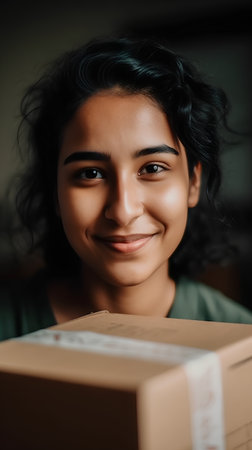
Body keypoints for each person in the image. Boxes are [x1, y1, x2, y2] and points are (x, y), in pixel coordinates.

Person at [1, 35, 252, 341]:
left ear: (193, 183)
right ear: (55, 192)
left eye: (152, 168)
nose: (122, 210)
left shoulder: (240, 341)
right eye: (90, 173)